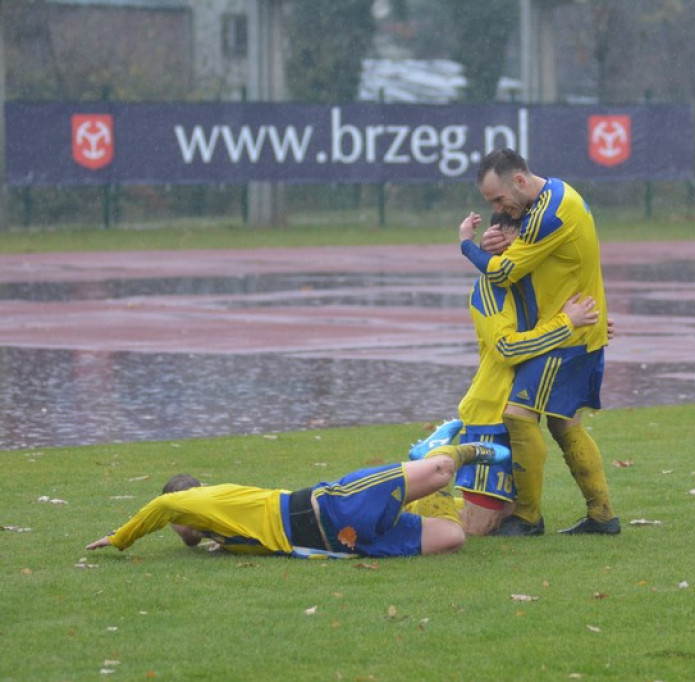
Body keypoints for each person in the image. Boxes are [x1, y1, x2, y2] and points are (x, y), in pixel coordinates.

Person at [457, 148, 619, 537]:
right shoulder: (553, 196)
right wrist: (496, 237)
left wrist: (468, 245)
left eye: (499, 200)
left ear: (519, 180)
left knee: (518, 415)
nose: (499, 208)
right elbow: (530, 250)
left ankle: (528, 518)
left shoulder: (549, 214)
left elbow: (504, 273)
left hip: (567, 334)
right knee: (564, 424)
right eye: (492, 204)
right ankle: (602, 516)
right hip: (574, 328)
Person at [85, 442, 509, 559]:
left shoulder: (197, 500)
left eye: (176, 520)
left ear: (185, 501)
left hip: (335, 506)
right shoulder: (220, 533)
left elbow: (161, 508)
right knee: (453, 537)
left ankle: (456, 448)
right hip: (341, 542)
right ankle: (423, 486)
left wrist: (120, 538)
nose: (177, 528)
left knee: (441, 469)